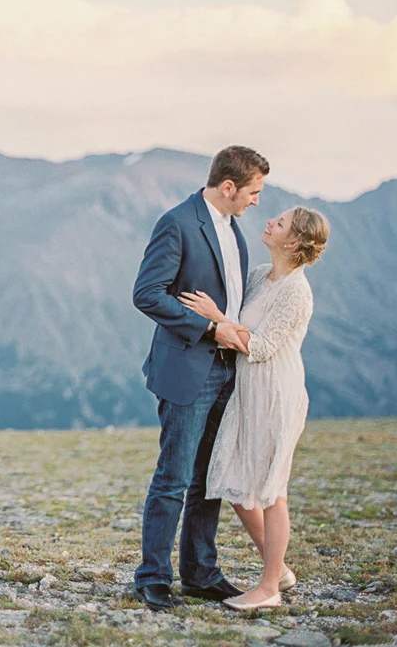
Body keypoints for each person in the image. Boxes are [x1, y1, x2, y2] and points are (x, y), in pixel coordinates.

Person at [132, 145, 269, 612]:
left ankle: (200, 574)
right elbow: (147, 294)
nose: (257, 201)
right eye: (253, 192)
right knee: (173, 477)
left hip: (228, 370)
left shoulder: (236, 230)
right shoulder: (177, 222)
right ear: (228, 187)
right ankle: (152, 576)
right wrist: (211, 328)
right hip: (189, 368)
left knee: (209, 479)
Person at [178, 206, 329, 611]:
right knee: (233, 477)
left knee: (270, 490)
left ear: (293, 241)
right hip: (247, 390)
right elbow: (239, 328)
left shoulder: (296, 290)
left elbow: (260, 347)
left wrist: (214, 318)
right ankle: (276, 567)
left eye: (278, 223)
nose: (268, 222)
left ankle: (268, 589)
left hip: (275, 392)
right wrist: (220, 322)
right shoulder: (262, 274)